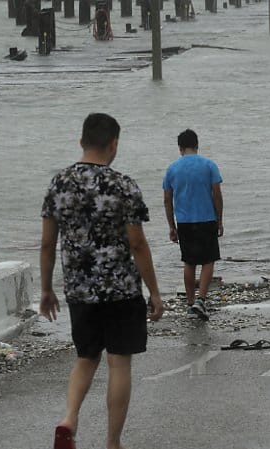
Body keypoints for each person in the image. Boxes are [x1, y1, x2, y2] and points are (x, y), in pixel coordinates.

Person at [39, 113, 164, 449]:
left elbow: (48, 243)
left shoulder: (59, 184)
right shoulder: (123, 185)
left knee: (86, 356)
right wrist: (154, 291)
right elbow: (137, 243)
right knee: (119, 362)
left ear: (81, 141)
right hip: (121, 289)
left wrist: (47, 288)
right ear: (114, 144)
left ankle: (69, 418)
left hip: (79, 288)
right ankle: (112, 442)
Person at [163, 129, 223, 321]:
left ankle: (190, 303)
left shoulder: (172, 169)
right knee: (208, 260)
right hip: (206, 218)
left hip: (184, 221)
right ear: (197, 145)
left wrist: (171, 226)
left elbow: (167, 199)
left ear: (180, 148)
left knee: (189, 262)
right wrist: (219, 219)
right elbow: (217, 194)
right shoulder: (209, 165)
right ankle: (201, 300)